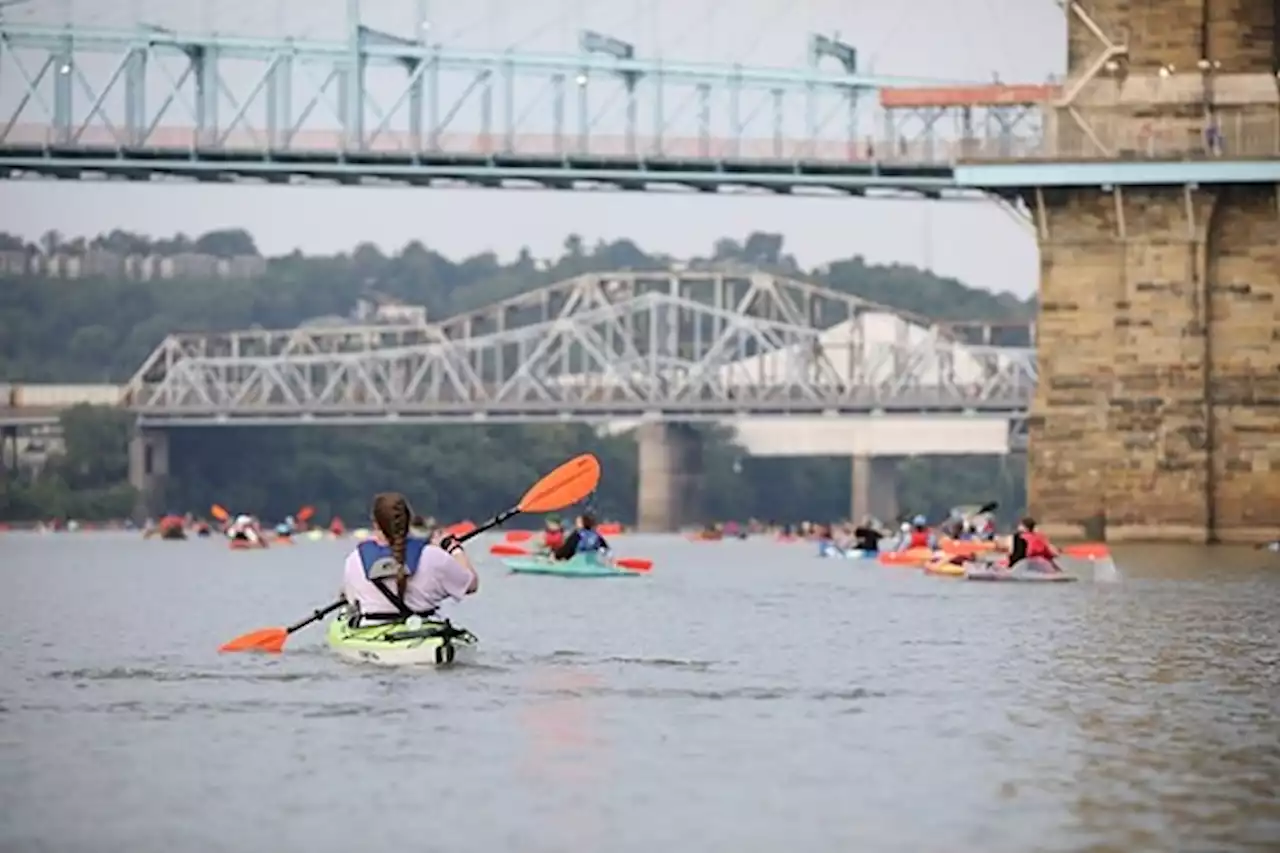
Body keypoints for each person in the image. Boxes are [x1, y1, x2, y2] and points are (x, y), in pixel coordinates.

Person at [341, 492, 478, 623]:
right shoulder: (433, 555)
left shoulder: (355, 559)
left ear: (376, 523)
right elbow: (471, 585)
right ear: (408, 520)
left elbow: (351, 600)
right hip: (421, 632)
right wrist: (454, 549)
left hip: (371, 632)